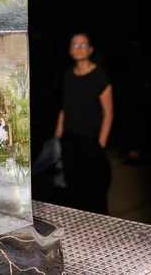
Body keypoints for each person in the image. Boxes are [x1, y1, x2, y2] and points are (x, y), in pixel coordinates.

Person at [54, 32, 114, 214]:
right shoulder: (68, 76)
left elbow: (109, 113)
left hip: (91, 141)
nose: (78, 49)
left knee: (95, 193)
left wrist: (100, 144)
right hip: (70, 140)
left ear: (90, 50)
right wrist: (58, 138)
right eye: (74, 45)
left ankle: (99, 233)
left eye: (82, 45)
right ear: (70, 51)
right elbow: (64, 108)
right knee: (73, 191)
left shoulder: (99, 76)